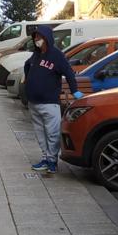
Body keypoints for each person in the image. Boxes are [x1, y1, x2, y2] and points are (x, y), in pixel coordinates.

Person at [24, 26, 83, 174]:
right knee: (40, 133)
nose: (36, 40)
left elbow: (69, 73)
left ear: (46, 38)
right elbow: (27, 66)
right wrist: (27, 82)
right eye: (35, 37)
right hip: (34, 103)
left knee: (52, 133)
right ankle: (45, 157)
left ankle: (52, 161)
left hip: (49, 103)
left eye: (39, 37)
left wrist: (74, 90)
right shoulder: (36, 55)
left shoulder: (56, 56)